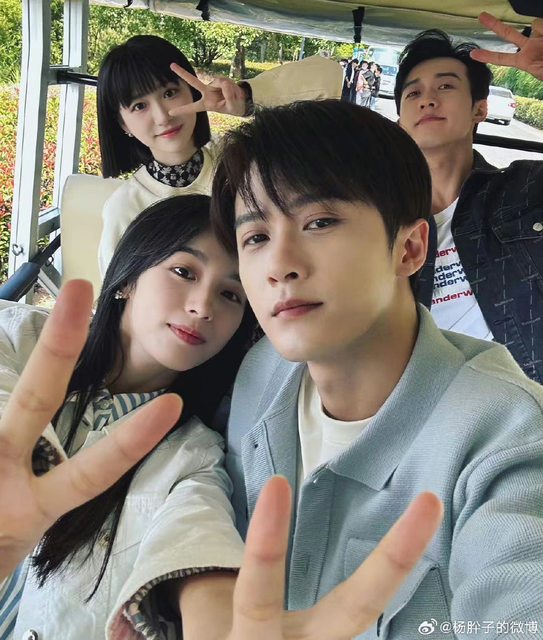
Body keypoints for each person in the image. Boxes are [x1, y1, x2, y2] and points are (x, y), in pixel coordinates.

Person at [177, 99, 543, 639]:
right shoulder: (262, 373)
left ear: (410, 248)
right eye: (256, 237)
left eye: (320, 222)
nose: (279, 265)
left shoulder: (507, 436)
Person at [1, 194, 258, 639]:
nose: (203, 306)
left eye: (230, 294)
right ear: (128, 278)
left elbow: (197, 537)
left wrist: (214, 610)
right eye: (184, 272)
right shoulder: (18, 337)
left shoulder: (194, 456)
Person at [97, 35, 342, 275]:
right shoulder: (126, 208)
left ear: (191, 90)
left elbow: (329, 75)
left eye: (170, 93)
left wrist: (246, 98)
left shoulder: (237, 156)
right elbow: (116, 293)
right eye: (139, 106)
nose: (163, 116)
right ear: (122, 124)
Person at [394, 12, 543, 382]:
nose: (427, 100)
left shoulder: (528, 187)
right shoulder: (375, 218)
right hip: (422, 404)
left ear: (480, 108)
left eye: (445, 86)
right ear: (399, 119)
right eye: (413, 93)